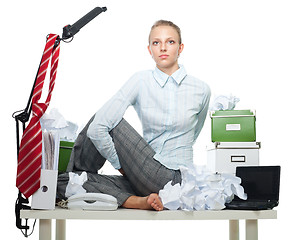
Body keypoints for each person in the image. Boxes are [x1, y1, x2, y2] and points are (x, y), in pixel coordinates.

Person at [57, 20, 211, 211]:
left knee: (105, 121)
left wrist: (120, 166)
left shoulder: (201, 89)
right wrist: (129, 170)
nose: (163, 47)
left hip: (176, 180)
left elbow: (194, 134)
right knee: (66, 182)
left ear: (181, 48)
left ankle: (76, 170)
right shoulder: (141, 80)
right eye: (156, 43)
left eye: (170, 42)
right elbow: (97, 130)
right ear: (149, 50)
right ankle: (135, 200)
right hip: (144, 177)